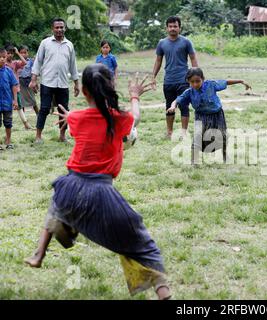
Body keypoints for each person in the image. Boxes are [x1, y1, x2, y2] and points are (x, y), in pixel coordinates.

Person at [24, 64, 171, 300]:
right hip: (101, 189)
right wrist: (134, 95)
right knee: (142, 245)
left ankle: (39, 254)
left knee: (56, 206)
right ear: (110, 87)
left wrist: (69, 118)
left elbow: (77, 123)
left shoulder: (75, 117)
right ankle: (164, 294)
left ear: (84, 92)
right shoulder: (119, 118)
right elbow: (136, 118)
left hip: (70, 184)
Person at [167, 67, 251, 165]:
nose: (195, 84)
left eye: (198, 81)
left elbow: (225, 82)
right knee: (198, 137)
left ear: (203, 79)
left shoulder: (211, 85)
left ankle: (225, 157)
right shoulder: (189, 92)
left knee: (222, 136)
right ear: (188, 81)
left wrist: (241, 81)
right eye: (192, 82)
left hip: (217, 115)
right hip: (200, 117)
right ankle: (194, 161)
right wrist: (173, 106)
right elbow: (178, 99)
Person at [29, 17, 80, 144]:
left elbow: (73, 65)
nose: (59, 29)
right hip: (47, 82)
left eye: (61, 27)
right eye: (56, 27)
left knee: (64, 111)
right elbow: (38, 62)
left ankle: (62, 136)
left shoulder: (69, 45)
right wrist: (33, 79)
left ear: (65, 29)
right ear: (52, 29)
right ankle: (38, 136)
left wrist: (76, 83)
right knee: (44, 109)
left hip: (63, 83)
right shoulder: (45, 43)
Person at [150, 16, 198, 139]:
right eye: (170, 26)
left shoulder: (186, 42)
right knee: (169, 106)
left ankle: (183, 133)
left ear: (179, 28)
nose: (172, 29)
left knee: (184, 106)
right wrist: (153, 76)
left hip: (183, 80)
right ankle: (170, 132)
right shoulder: (162, 43)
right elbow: (158, 61)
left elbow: (193, 58)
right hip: (168, 81)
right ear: (166, 28)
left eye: (175, 26)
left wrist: (196, 75)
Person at [5, 45, 33, 130]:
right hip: (5, 89)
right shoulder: (3, 63)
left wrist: (17, 53)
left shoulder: (15, 63)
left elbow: (25, 63)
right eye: (8, 53)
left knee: (19, 106)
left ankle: (26, 124)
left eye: (12, 53)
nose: (10, 55)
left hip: (16, 89)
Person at [0, 48, 19, 150]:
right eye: (0, 57)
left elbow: (14, 86)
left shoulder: (9, 71)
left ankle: (8, 141)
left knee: (8, 122)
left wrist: (15, 100)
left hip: (7, 101)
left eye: (3, 57)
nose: (2, 59)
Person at [17, 45, 39, 118]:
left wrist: (35, 82)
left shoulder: (31, 61)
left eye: (25, 52)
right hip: (20, 82)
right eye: (21, 53)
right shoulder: (17, 62)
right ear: (19, 53)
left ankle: (38, 114)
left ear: (28, 53)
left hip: (28, 82)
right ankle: (23, 117)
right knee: (21, 100)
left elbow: (34, 72)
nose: (23, 54)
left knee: (32, 99)